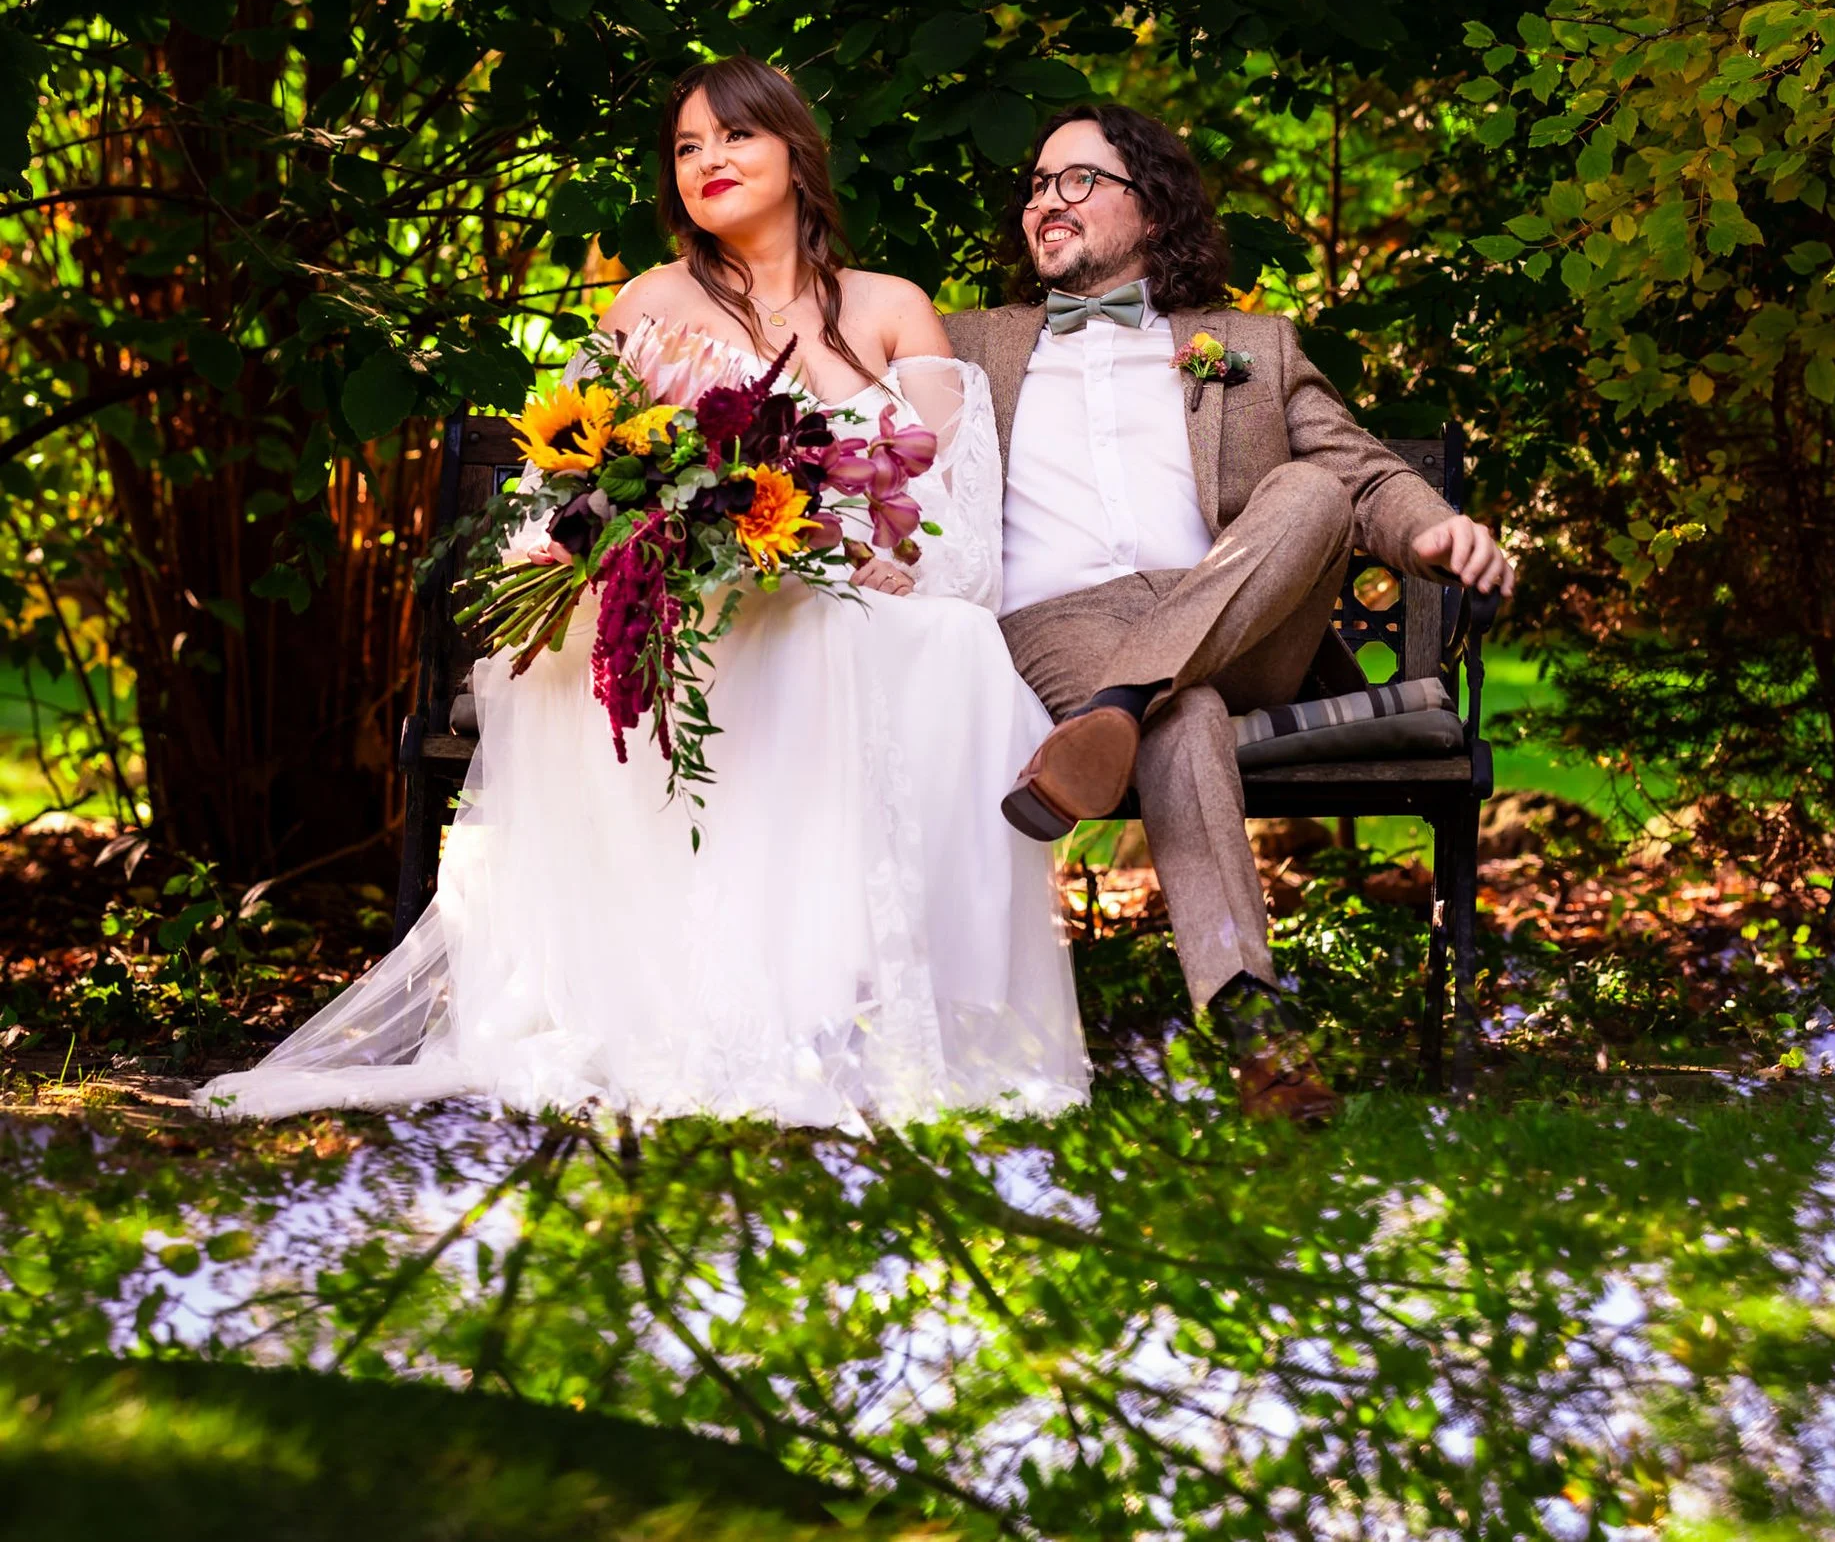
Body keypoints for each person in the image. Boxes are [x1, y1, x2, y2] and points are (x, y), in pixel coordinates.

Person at [197, 58, 1085, 1128]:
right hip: (687, 605)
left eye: (735, 137)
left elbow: (943, 496)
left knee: (947, 645)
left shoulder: (891, 307)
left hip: (842, 596)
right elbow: (583, 482)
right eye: (687, 147)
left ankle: (860, 991)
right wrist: (664, 535)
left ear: (796, 153)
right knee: (792, 639)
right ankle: (744, 997)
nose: (709, 160)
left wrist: (879, 554)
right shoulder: (651, 303)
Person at [943, 105, 1515, 1125]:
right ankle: (1260, 1035)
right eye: (1035, 185)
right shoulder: (970, 343)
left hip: (1238, 616)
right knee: (1183, 715)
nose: (1045, 201)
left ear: (1150, 210)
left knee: (1307, 493)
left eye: (1076, 180)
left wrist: (1433, 531)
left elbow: (1362, 475)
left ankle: (1118, 708)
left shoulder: (1247, 342)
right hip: (1061, 626)